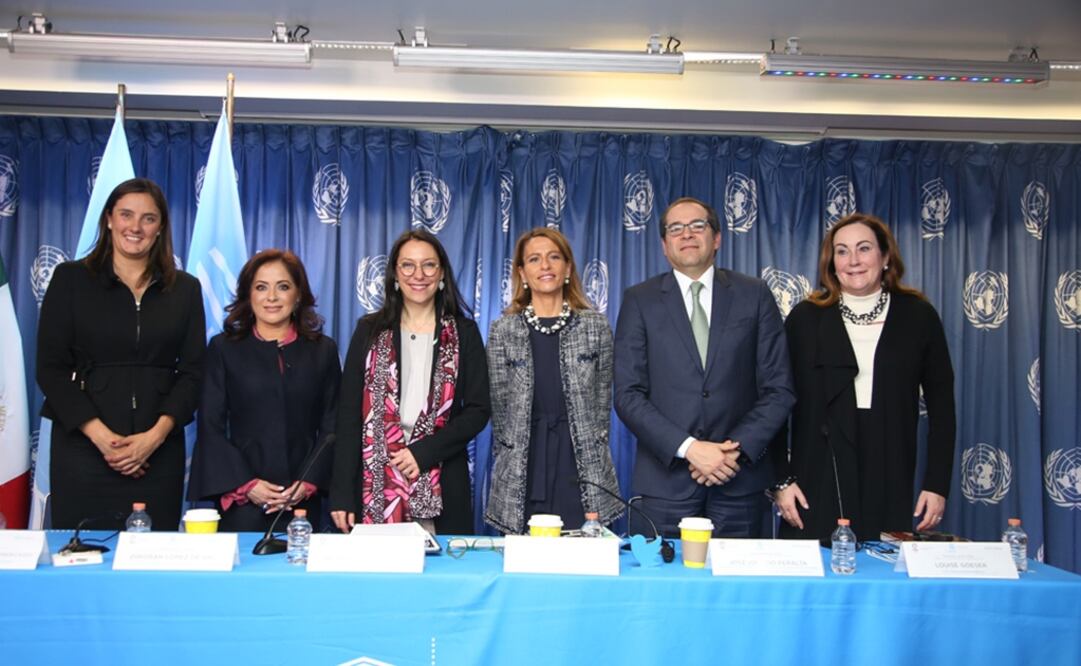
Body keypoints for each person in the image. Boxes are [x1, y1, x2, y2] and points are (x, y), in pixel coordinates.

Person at [614, 196, 795, 538]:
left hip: (739, 482)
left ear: (717, 238)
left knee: (739, 592)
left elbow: (779, 388)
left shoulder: (754, 294)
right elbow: (628, 394)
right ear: (664, 245)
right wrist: (691, 449)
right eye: (676, 229)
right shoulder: (640, 300)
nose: (687, 235)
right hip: (665, 486)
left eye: (698, 226)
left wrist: (732, 453)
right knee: (663, 590)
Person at [773, 213, 956, 543]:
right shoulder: (806, 318)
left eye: (864, 248)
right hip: (817, 471)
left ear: (886, 257)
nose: (853, 261)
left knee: (882, 574)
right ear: (831, 263)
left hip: (889, 468)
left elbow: (943, 410)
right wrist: (781, 483)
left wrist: (936, 485)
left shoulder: (918, 316)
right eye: (841, 251)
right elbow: (775, 402)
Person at [36, 178, 205, 530]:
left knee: (151, 565)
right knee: (81, 563)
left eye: (148, 218)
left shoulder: (185, 289)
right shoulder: (70, 279)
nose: (136, 227)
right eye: (126, 215)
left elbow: (194, 373)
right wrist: (103, 439)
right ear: (109, 219)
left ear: (160, 228)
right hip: (84, 450)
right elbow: (50, 369)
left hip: (157, 455)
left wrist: (153, 437)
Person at [329, 229, 490, 535]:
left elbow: (479, 410)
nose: (419, 274)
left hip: (441, 481)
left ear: (441, 273)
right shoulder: (369, 330)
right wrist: (340, 494)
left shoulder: (464, 332)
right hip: (373, 485)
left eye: (428, 265)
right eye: (408, 265)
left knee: (441, 580)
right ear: (394, 274)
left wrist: (424, 452)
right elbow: (348, 416)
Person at [188, 249, 340, 532]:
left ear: (298, 296)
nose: (271, 297)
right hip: (243, 500)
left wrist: (308, 483)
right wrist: (246, 485)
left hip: (303, 501)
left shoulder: (323, 350)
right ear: (248, 295)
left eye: (283, 287)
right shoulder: (224, 349)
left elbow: (333, 424)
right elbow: (210, 425)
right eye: (261, 287)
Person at [485, 228, 622, 534]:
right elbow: (500, 409)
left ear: (568, 268)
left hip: (581, 465)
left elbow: (602, 405)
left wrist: (592, 448)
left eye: (554, 257)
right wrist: (511, 455)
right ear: (522, 272)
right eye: (534, 259)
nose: (545, 266)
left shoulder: (595, 327)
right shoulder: (503, 330)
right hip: (524, 467)